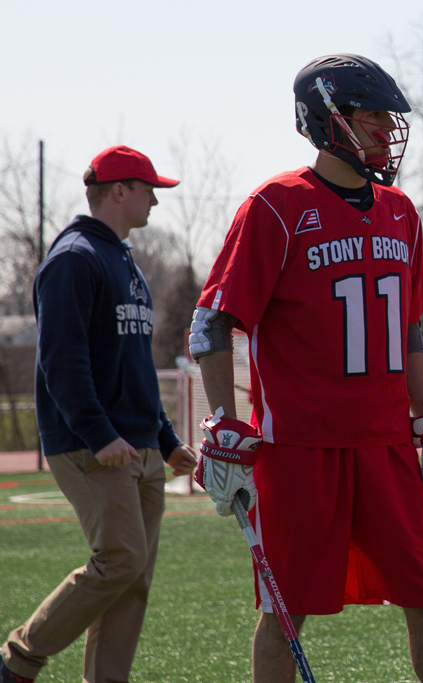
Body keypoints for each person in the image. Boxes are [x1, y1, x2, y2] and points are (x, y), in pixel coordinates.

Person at [188, 54, 423, 683]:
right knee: (287, 611)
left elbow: (410, 329)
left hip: (389, 445)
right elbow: (214, 321)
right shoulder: (275, 205)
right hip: (300, 448)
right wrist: (225, 424)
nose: (385, 129)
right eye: (371, 115)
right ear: (328, 120)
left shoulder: (401, 210)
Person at [1, 146, 198, 683]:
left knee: (131, 577)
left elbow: (133, 362)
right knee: (120, 560)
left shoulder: (123, 259)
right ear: (119, 191)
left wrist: (164, 436)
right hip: (94, 445)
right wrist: (99, 432)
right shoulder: (74, 258)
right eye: (148, 188)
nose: (156, 199)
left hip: (138, 444)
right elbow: (62, 362)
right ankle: (17, 660)